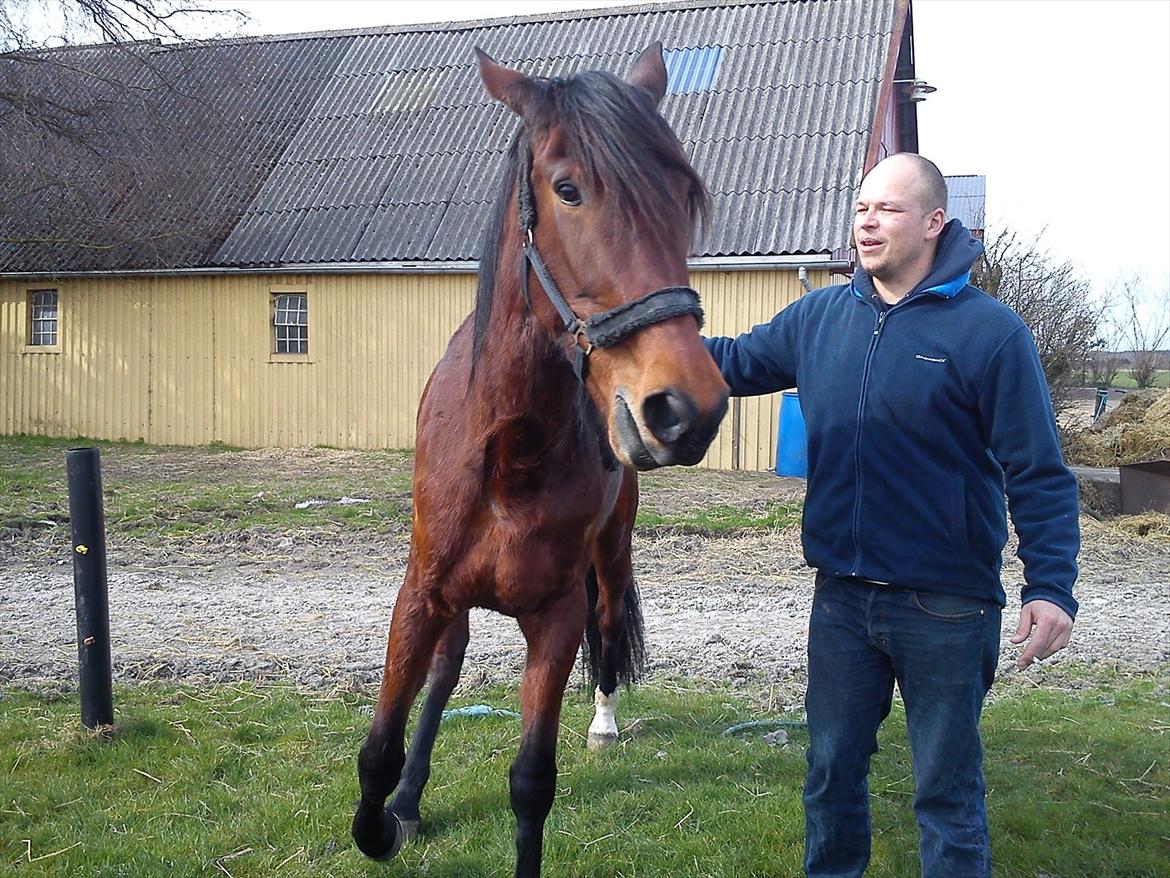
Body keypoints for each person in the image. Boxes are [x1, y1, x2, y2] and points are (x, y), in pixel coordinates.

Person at [703, 153, 1080, 877]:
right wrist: (639, 331)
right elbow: (731, 361)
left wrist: (1050, 587)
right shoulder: (820, 318)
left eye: (890, 209)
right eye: (861, 209)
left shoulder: (990, 334)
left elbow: (1039, 472)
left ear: (935, 222)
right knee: (831, 775)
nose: (867, 222)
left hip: (947, 604)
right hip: (841, 600)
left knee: (946, 793)